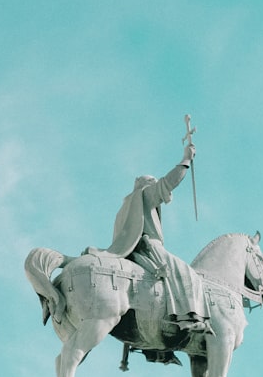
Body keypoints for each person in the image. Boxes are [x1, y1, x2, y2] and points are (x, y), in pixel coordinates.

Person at [90, 143, 210, 334]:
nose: (157, 187)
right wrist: (186, 159)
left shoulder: (124, 207)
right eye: (153, 183)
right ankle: (189, 317)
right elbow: (168, 182)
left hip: (132, 251)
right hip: (150, 247)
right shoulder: (144, 195)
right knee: (187, 274)